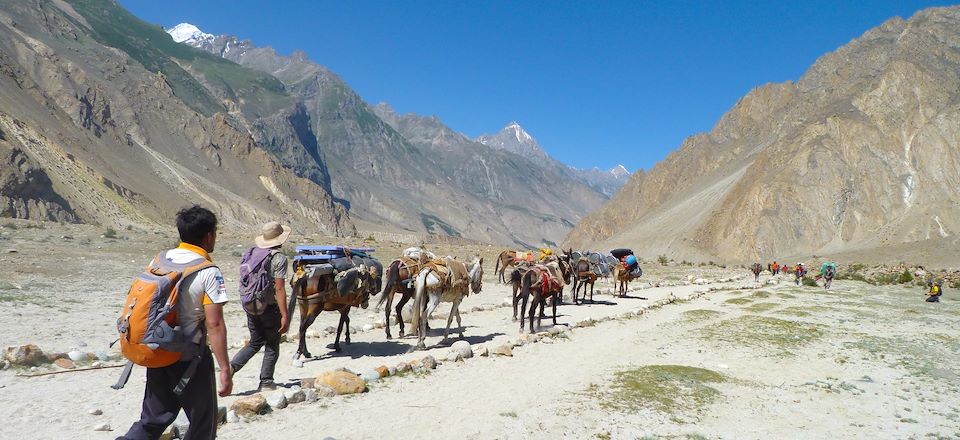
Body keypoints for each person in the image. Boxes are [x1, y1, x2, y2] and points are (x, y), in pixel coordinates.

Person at [118, 205, 232, 440]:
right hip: (191, 358)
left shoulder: (159, 260)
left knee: (152, 419)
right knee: (202, 424)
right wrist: (225, 369)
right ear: (209, 235)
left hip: (157, 350)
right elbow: (215, 324)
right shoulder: (209, 272)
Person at [229, 221, 291, 391]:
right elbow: (279, 288)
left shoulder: (253, 253)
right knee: (272, 344)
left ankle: (232, 367)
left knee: (255, 342)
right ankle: (266, 381)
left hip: (250, 304)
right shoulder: (278, 258)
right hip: (269, 307)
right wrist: (285, 315)